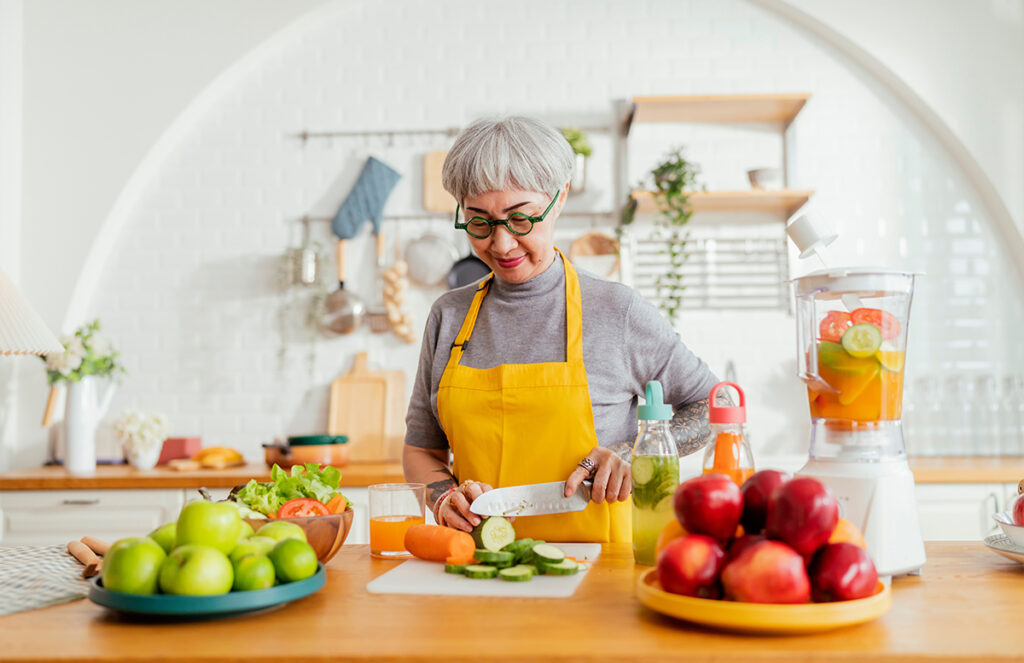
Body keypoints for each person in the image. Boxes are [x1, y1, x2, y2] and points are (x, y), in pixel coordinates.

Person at [402, 116, 718, 543]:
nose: (501, 245)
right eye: (479, 223)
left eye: (520, 219)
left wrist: (637, 452)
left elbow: (715, 408)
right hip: (482, 569)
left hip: (601, 574)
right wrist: (443, 498)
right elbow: (421, 448)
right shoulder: (448, 316)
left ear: (559, 197)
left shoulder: (615, 310)